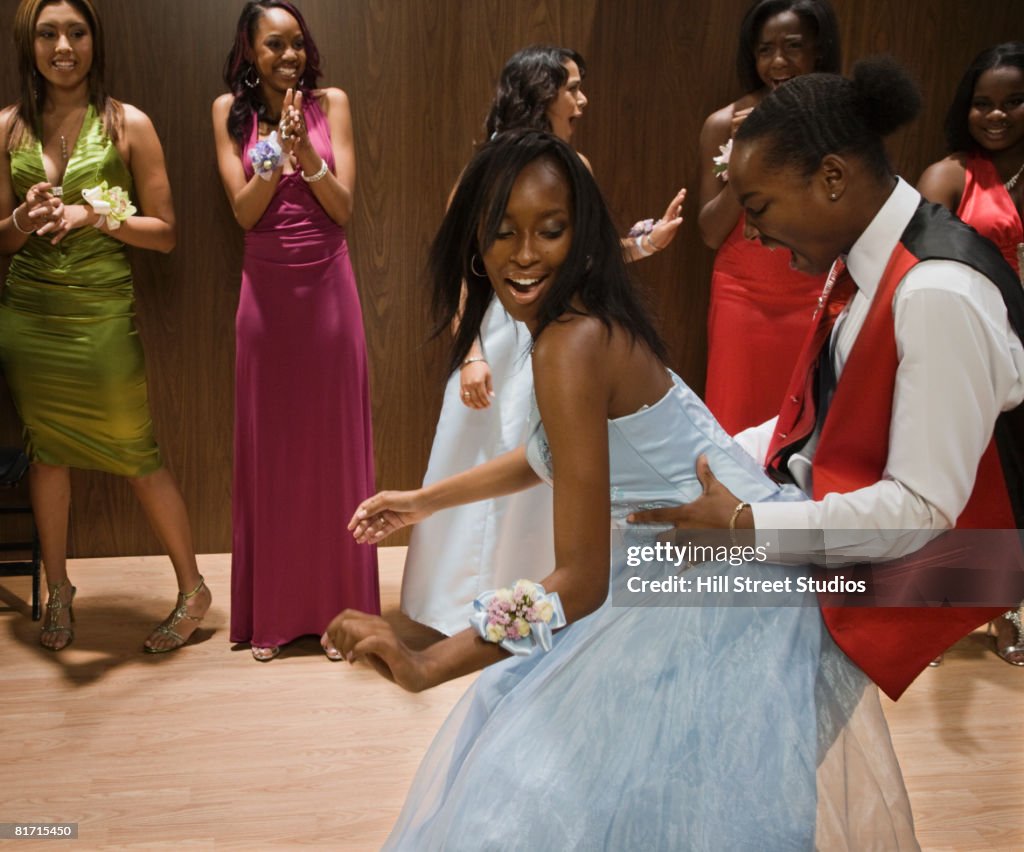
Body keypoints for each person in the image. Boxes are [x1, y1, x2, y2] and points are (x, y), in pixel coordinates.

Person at [328, 130, 917, 849]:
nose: (523, 253)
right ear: (473, 243)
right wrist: (424, 502)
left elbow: (577, 585)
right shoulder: (580, 319)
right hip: (708, 568)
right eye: (502, 232)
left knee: (559, 796)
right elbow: (552, 456)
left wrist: (429, 662)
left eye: (550, 230)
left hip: (723, 592)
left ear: (582, 236)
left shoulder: (568, 343)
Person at [633, 58, 1024, 698]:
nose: (750, 232)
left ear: (832, 178)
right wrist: (703, 456)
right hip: (844, 527)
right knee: (645, 577)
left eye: (757, 206)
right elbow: (818, 416)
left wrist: (745, 527)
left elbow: (925, 512)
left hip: (927, 570)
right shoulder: (865, 259)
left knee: (661, 614)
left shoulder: (936, 291)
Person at [402, 45, 685, 635]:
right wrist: (472, 353)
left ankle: (540, 594)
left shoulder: (575, 166)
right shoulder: (482, 171)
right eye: (572, 87)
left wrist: (644, 245)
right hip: (496, 334)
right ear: (541, 92)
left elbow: (587, 258)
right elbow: (462, 271)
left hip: (549, 325)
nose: (581, 100)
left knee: (549, 465)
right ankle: (462, 605)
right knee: (490, 458)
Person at [0, 0, 210, 653]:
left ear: (94, 40)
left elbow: (167, 234)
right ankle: (59, 591)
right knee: (48, 454)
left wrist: (97, 215)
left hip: (100, 315)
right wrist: (26, 221)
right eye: (48, 33)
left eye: (77, 31)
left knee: (136, 452)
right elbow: (0, 240)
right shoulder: (6, 128)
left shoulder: (130, 125)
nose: (63, 45)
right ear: (27, 43)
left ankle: (193, 589)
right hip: (31, 313)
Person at [212, 0, 378, 662]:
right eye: (274, 45)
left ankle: (341, 614)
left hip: (330, 295)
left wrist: (307, 152)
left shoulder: (331, 102)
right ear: (250, 52)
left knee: (334, 453)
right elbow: (244, 215)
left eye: (297, 44)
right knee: (273, 453)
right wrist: (273, 152)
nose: (288, 56)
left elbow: (343, 208)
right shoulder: (229, 115)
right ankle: (276, 614)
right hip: (266, 299)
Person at [918, 42, 1024, 666]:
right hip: (971, 348)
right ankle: (932, 610)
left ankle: (1008, 609)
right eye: (983, 103)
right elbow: (919, 268)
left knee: (1018, 486)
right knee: (954, 477)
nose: (997, 115)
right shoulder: (951, 173)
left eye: (1013, 102)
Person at [697, 0, 841, 434]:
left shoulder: (843, 119)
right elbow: (708, 232)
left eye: (792, 47)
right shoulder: (724, 123)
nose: (778, 62)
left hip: (816, 286)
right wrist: (746, 155)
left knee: (809, 421)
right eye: (764, 50)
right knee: (735, 415)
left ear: (818, 50)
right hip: (743, 292)